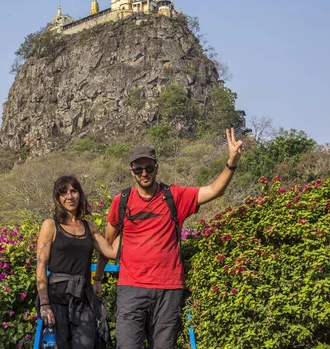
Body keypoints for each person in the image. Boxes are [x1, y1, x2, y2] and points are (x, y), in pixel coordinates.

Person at [93, 128, 244, 349]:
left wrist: (231, 161)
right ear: (131, 170)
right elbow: (107, 241)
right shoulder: (121, 200)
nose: (144, 173)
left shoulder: (174, 196)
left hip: (168, 289)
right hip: (131, 289)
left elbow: (214, 190)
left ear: (156, 167)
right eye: (138, 168)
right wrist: (97, 278)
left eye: (149, 167)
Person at [35, 175, 119, 349]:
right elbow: (41, 266)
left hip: (83, 298)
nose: (70, 196)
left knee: (87, 344)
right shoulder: (50, 225)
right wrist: (44, 304)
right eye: (64, 193)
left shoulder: (89, 227)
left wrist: (128, 226)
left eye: (73, 191)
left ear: (80, 194)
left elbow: (111, 252)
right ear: (58, 198)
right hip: (56, 298)